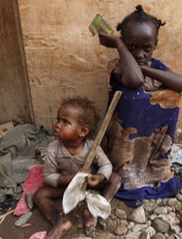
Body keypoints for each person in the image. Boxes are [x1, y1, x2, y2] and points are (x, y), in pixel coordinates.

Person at [98, 5, 182, 206]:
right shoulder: (117, 66)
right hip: (126, 148)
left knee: (172, 94)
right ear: (123, 44)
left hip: (150, 146)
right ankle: (129, 176)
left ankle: (151, 170)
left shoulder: (156, 66)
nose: (139, 53)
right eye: (132, 47)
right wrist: (117, 44)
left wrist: (148, 70)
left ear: (155, 45)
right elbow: (134, 80)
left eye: (146, 48)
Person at [34, 97, 121, 238]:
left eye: (65, 122)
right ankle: (58, 222)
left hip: (90, 184)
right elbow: (48, 176)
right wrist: (67, 179)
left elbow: (106, 165)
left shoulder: (92, 147)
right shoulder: (53, 149)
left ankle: (95, 211)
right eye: (58, 120)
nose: (57, 125)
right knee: (40, 194)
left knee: (115, 178)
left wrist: (99, 177)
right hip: (68, 187)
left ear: (83, 131)